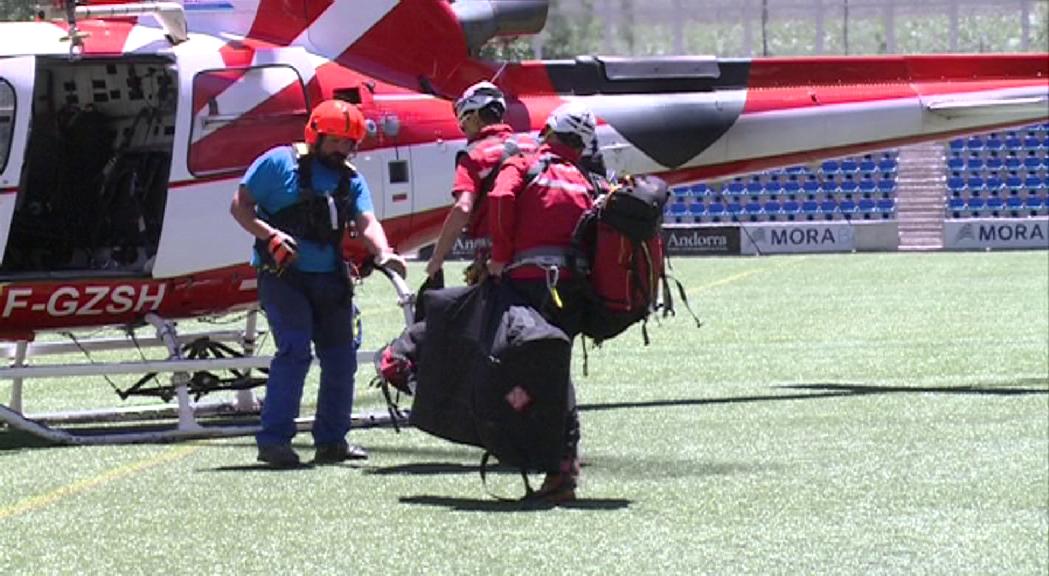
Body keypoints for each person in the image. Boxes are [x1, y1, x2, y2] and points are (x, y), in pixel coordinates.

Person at [230, 99, 406, 468]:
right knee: (294, 350)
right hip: (283, 277)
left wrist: (384, 250)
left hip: (330, 279)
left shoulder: (350, 179)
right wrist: (269, 235)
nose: (343, 149)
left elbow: (368, 221)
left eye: (349, 143)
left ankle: (332, 440)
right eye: (336, 141)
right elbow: (240, 206)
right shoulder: (277, 163)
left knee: (341, 359)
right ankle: (274, 441)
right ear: (316, 135)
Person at [486, 102, 601, 502]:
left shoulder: (525, 164)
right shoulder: (587, 180)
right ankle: (562, 466)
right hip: (569, 293)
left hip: (526, 286)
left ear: (550, 130)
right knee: (555, 374)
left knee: (510, 366)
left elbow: (500, 199)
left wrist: (498, 254)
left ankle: (540, 460)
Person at [425, 81, 536, 284]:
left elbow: (463, 208)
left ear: (475, 116)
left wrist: (437, 257)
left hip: (494, 262)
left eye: (463, 121)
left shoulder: (474, 155)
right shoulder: (531, 146)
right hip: (535, 259)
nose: (463, 129)